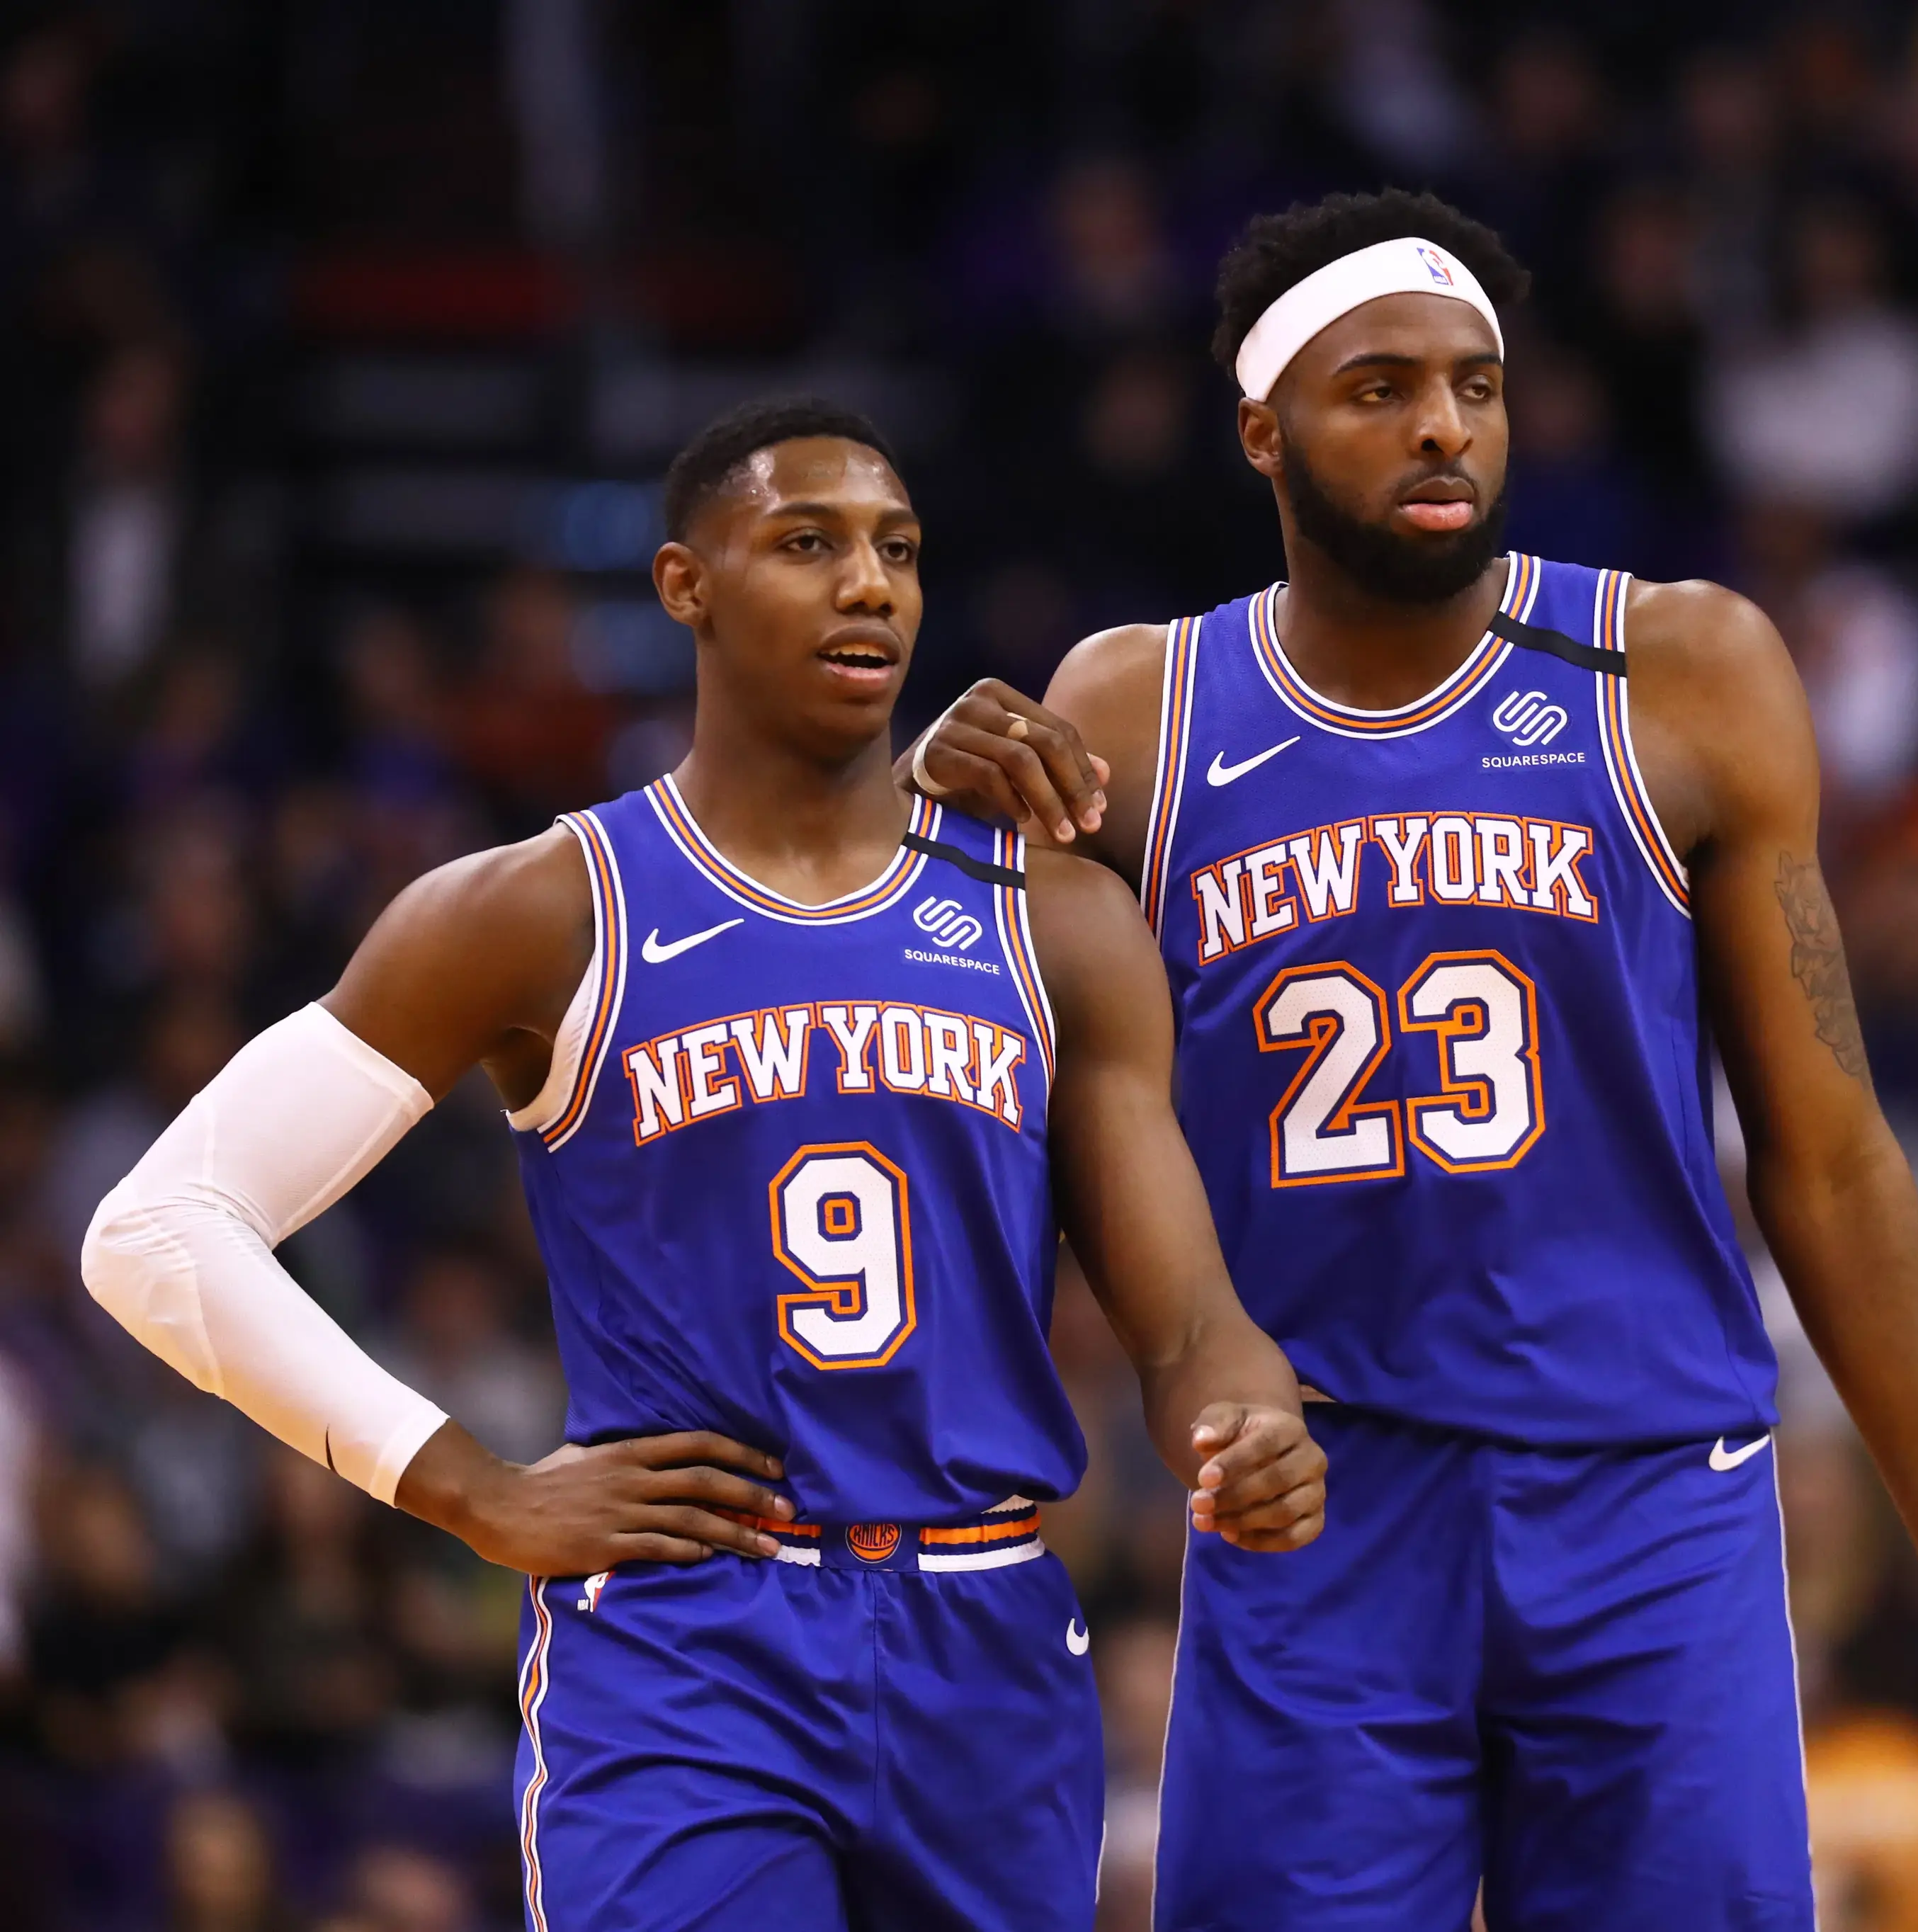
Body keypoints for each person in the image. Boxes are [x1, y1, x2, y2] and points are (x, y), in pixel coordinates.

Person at [912, 190, 1918, 1931]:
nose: (1443, 422)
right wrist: (911, 825)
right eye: (1378, 388)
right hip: (1316, 1498)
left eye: (1475, 383)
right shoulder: (1138, 710)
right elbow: (994, 1121)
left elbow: (1830, 1160)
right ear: (1263, 430)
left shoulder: (1678, 666)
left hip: (1652, 1492)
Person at [80, 398, 1324, 1932]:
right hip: (689, 1638)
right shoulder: (543, 904)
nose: (867, 582)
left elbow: (1190, 1321)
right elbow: (158, 1230)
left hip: (988, 1631)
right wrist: (469, 1485)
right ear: (684, 585)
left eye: (898, 550)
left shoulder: (1051, 918)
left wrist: (1247, 1420)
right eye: (808, 543)